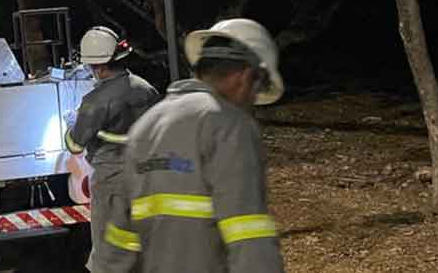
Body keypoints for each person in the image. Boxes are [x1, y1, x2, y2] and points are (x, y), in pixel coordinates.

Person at [95, 18, 286, 273]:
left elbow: (119, 244)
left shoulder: (145, 127)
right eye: (256, 91)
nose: (252, 103)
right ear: (246, 76)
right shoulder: (228, 124)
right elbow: (249, 238)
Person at [64, 26, 160, 272]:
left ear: (99, 66)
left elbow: (74, 145)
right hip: (149, 175)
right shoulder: (146, 88)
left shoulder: (95, 101)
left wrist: (73, 123)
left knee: (109, 250)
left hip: (111, 181)